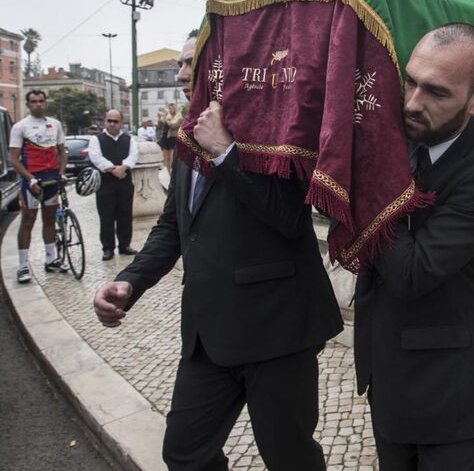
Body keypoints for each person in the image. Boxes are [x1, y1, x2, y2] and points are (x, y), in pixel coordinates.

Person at [92, 38, 342, 470]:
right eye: (179, 64)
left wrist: (226, 151)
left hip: (277, 331)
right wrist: (130, 282)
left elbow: (289, 218)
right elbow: (173, 226)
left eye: (192, 62)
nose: (181, 73)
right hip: (207, 335)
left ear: (225, 63)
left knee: (290, 458)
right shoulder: (190, 136)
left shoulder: (277, 126)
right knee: (185, 453)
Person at [354, 23, 474, 471]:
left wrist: (367, 182)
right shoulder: (400, 138)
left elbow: (413, 273)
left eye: (436, 92)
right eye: (409, 81)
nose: (412, 102)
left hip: (451, 391)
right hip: (389, 378)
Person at [9, 89, 68, 283]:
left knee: (50, 220)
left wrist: (61, 172)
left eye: (41, 101)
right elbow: (14, 159)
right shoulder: (20, 127)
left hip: (51, 179)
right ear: (28, 104)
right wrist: (29, 178)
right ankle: (23, 265)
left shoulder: (55, 124)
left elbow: (62, 152)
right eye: (34, 101)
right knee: (28, 221)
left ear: (46, 102)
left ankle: (51, 259)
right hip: (32, 181)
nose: (38, 104)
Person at [88, 110, 139, 261]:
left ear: (121, 123)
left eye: (115, 121)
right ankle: (108, 248)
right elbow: (96, 157)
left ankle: (125, 245)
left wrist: (123, 167)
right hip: (105, 183)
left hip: (125, 181)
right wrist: (112, 169)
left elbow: (133, 155)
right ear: (105, 121)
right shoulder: (97, 139)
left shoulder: (129, 139)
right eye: (109, 120)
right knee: (106, 216)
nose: (112, 124)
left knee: (125, 214)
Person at [158, 101, 184, 170]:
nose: (169, 110)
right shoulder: (167, 117)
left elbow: (173, 125)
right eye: (169, 109)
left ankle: (173, 171)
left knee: (172, 157)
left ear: (175, 108)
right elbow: (160, 125)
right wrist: (160, 118)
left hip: (173, 138)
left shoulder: (179, 117)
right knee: (166, 157)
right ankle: (168, 172)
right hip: (166, 138)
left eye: (171, 109)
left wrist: (166, 120)